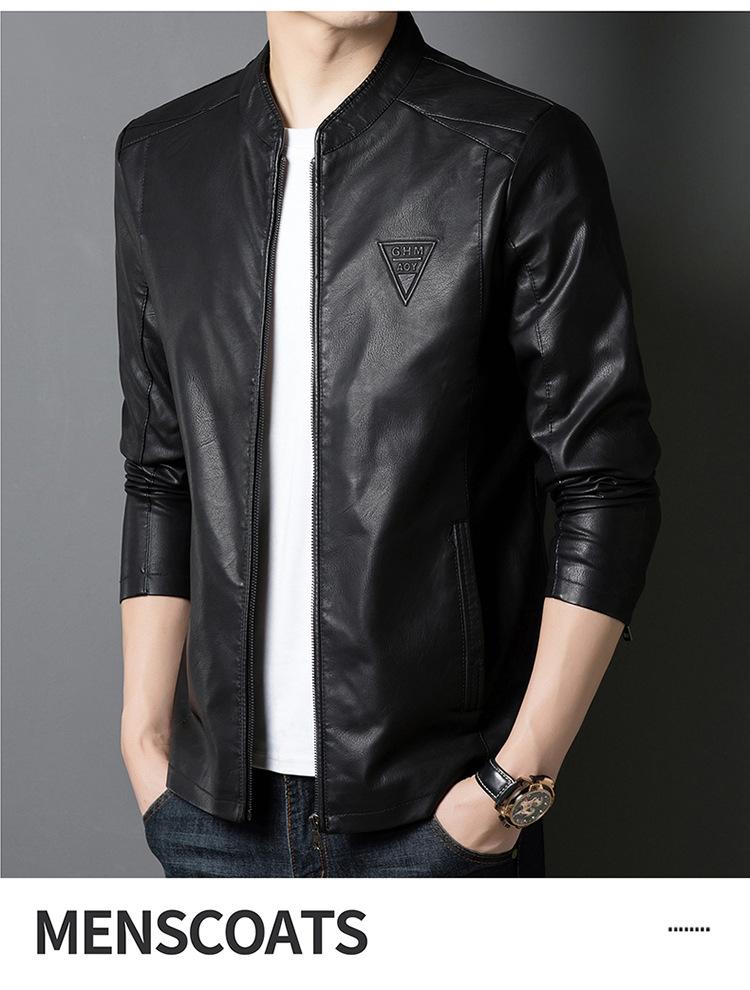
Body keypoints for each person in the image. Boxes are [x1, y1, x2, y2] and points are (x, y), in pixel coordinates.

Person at [117, 11, 661, 878]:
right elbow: (160, 469)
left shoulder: (514, 149)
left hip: (439, 815)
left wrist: (513, 783)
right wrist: (145, 738)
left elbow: (605, 481)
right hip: (212, 816)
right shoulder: (162, 159)